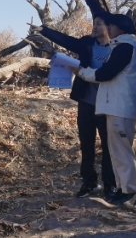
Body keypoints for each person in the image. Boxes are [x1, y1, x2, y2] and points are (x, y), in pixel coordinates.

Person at [33, 17, 117, 198]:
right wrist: (44, 30)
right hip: (86, 102)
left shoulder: (117, 48)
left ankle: (110, 184)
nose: (94, 27)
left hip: (108, 103)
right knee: (86, 145)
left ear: (109, 27)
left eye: (99, 24)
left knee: (109, 146)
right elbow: (67, 41)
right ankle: (89, 183)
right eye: (93, 23)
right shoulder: (87, 43)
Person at [74, 13, 136, 206]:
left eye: (111, 25)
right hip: (114, 107)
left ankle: (129, 190)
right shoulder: (119, 47)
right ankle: (122, 188)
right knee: (115, 151)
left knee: (122, 151)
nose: (109, 28)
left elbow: (105, 74)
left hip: (121, 107)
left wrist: (80, 72)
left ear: (122, 28)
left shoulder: (125, 48)